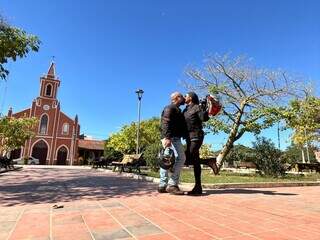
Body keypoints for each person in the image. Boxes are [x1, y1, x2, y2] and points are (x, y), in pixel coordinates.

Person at [183, 92, 218, 195]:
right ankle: (198, 186)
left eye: (186, 95)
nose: (184, 97)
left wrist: (204, 108)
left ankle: (209, 162)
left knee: (190, 158)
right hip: (188, 138)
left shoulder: (197, 107)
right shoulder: (186, 109)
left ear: (191, 98)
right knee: (191, 160)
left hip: (196, 136)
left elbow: (204, 118)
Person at [159, 92, 187, 195]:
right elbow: (166, 122)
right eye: (182, 96)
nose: (184, 98)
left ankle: (162, 185)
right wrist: (167, 137)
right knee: (181, 158)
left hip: (171, 137)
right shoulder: (170, 108)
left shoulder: (177, 109)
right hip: (171, 138)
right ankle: (172, 184)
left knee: (166, 160)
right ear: (177, 98)